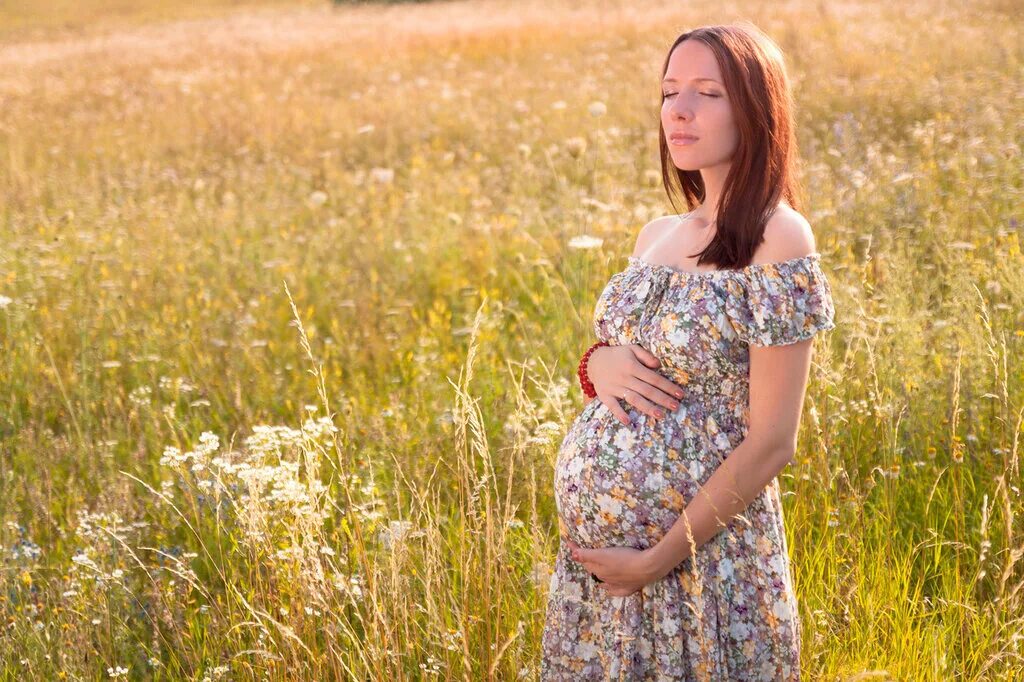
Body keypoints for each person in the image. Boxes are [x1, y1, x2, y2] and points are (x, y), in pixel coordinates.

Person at [541, 22, 838, 681]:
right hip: (603, 577)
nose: (679, 109)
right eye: (670, 90)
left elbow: (773, 441)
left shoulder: (778, 237)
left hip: (702, 566)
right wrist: (595, 366)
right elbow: (627, 365)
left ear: (757, 111)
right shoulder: (659, 233)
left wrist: (657, 558)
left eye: (707, 92)